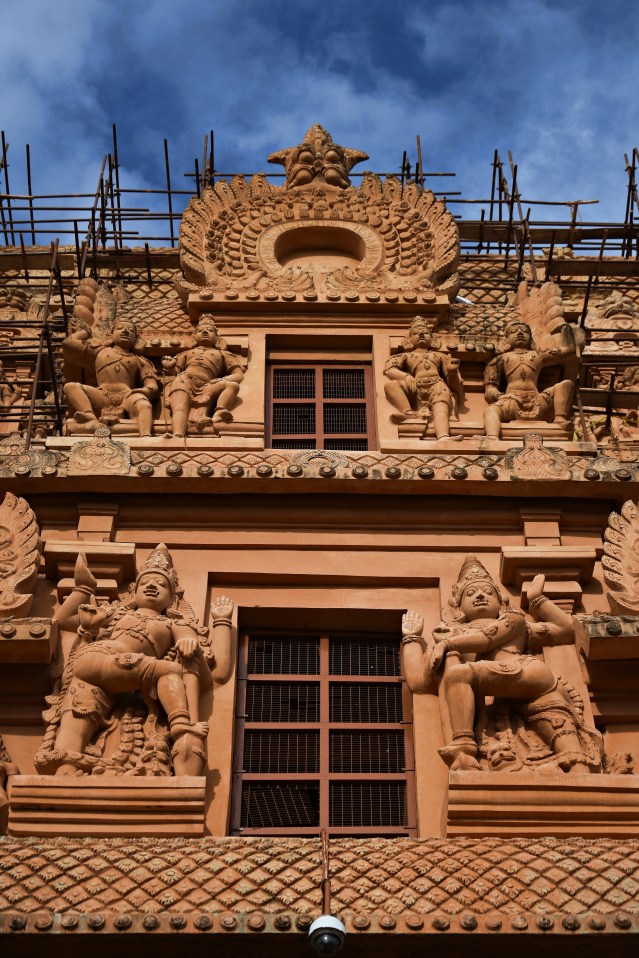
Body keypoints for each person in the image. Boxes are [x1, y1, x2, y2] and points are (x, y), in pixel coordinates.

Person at [35, 545, 233, 777]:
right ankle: (180, 723)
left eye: (161, 584)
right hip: (95, 659)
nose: (152, 586)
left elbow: (194, 647)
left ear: (172, 598)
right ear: (133, 591)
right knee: (166, 670)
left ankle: (65, 771)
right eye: (146, 582)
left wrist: (206, 633)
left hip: (110, 668)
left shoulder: (173, 624)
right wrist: (83, 587)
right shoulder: (115, 613)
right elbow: (64, 619)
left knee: (84, 709)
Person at [401, 556, 601, 774]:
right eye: (470, 593)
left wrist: (538, 599)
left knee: (458, 674)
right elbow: (420, 682)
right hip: (522, 688)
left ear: (500, 600)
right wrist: (412, 640)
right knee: (559, 728)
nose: (479, 595)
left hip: (525, 670)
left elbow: (563, 629)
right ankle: (578, 769)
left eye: (488, 592)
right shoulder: (450, 633)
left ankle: (463, 743)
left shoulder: (514, 621)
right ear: (458, 606)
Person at [63, 318, 159, 435]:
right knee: (70, 387)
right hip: (102, 395)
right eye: (120, 328)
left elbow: (152, 387)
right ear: (111, 334)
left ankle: (146, 436)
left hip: (127, 396)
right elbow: (69, 344)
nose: (125, 331)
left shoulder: (140, 360)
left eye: (130, 330)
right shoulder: (99, 351)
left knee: (144, 405)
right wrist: (85, 332)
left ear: (136, 339)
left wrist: (143, 391)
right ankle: (89, 417)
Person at [483, 320, 575, 439]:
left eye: (525, 331)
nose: (520, 333)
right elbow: (489, 389)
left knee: (566, 385)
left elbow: (570, 350)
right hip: (511, 402)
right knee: (490, 411)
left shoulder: (538, 355)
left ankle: (559, 420)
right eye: (514, 331)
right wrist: (502, 396)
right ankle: (492, 437)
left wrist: (567, 330)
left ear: (531, 338)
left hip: (537, 401)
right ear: (506, 339)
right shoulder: (498, 360)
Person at [162, 315, 246, 437]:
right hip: (185, 380)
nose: (205, 332)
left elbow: (238, 375)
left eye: (210, 330)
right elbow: (173, 374)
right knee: (180, 407)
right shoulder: (186, 353)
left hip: (209, 384)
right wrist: (169, 367)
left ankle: (219, 411)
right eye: (201, 331)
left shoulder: (223, 354)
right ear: (194, 336)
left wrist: (222, 379)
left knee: (232, 386)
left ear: (217, 337)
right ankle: (177, 435)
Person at [384, 317, 463, 439]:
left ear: (433, 339)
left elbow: (455, 386)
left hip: (437, 386)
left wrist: (452, 372)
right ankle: (408, 412)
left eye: (425, 333)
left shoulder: (440, 356)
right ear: (408, 339)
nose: (421, 334)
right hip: (415, 385)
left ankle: (443, 436)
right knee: (391, 385)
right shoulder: (406, 356)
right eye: (416, 333)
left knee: (441, 409)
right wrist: (406, 376)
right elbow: (390, 370)